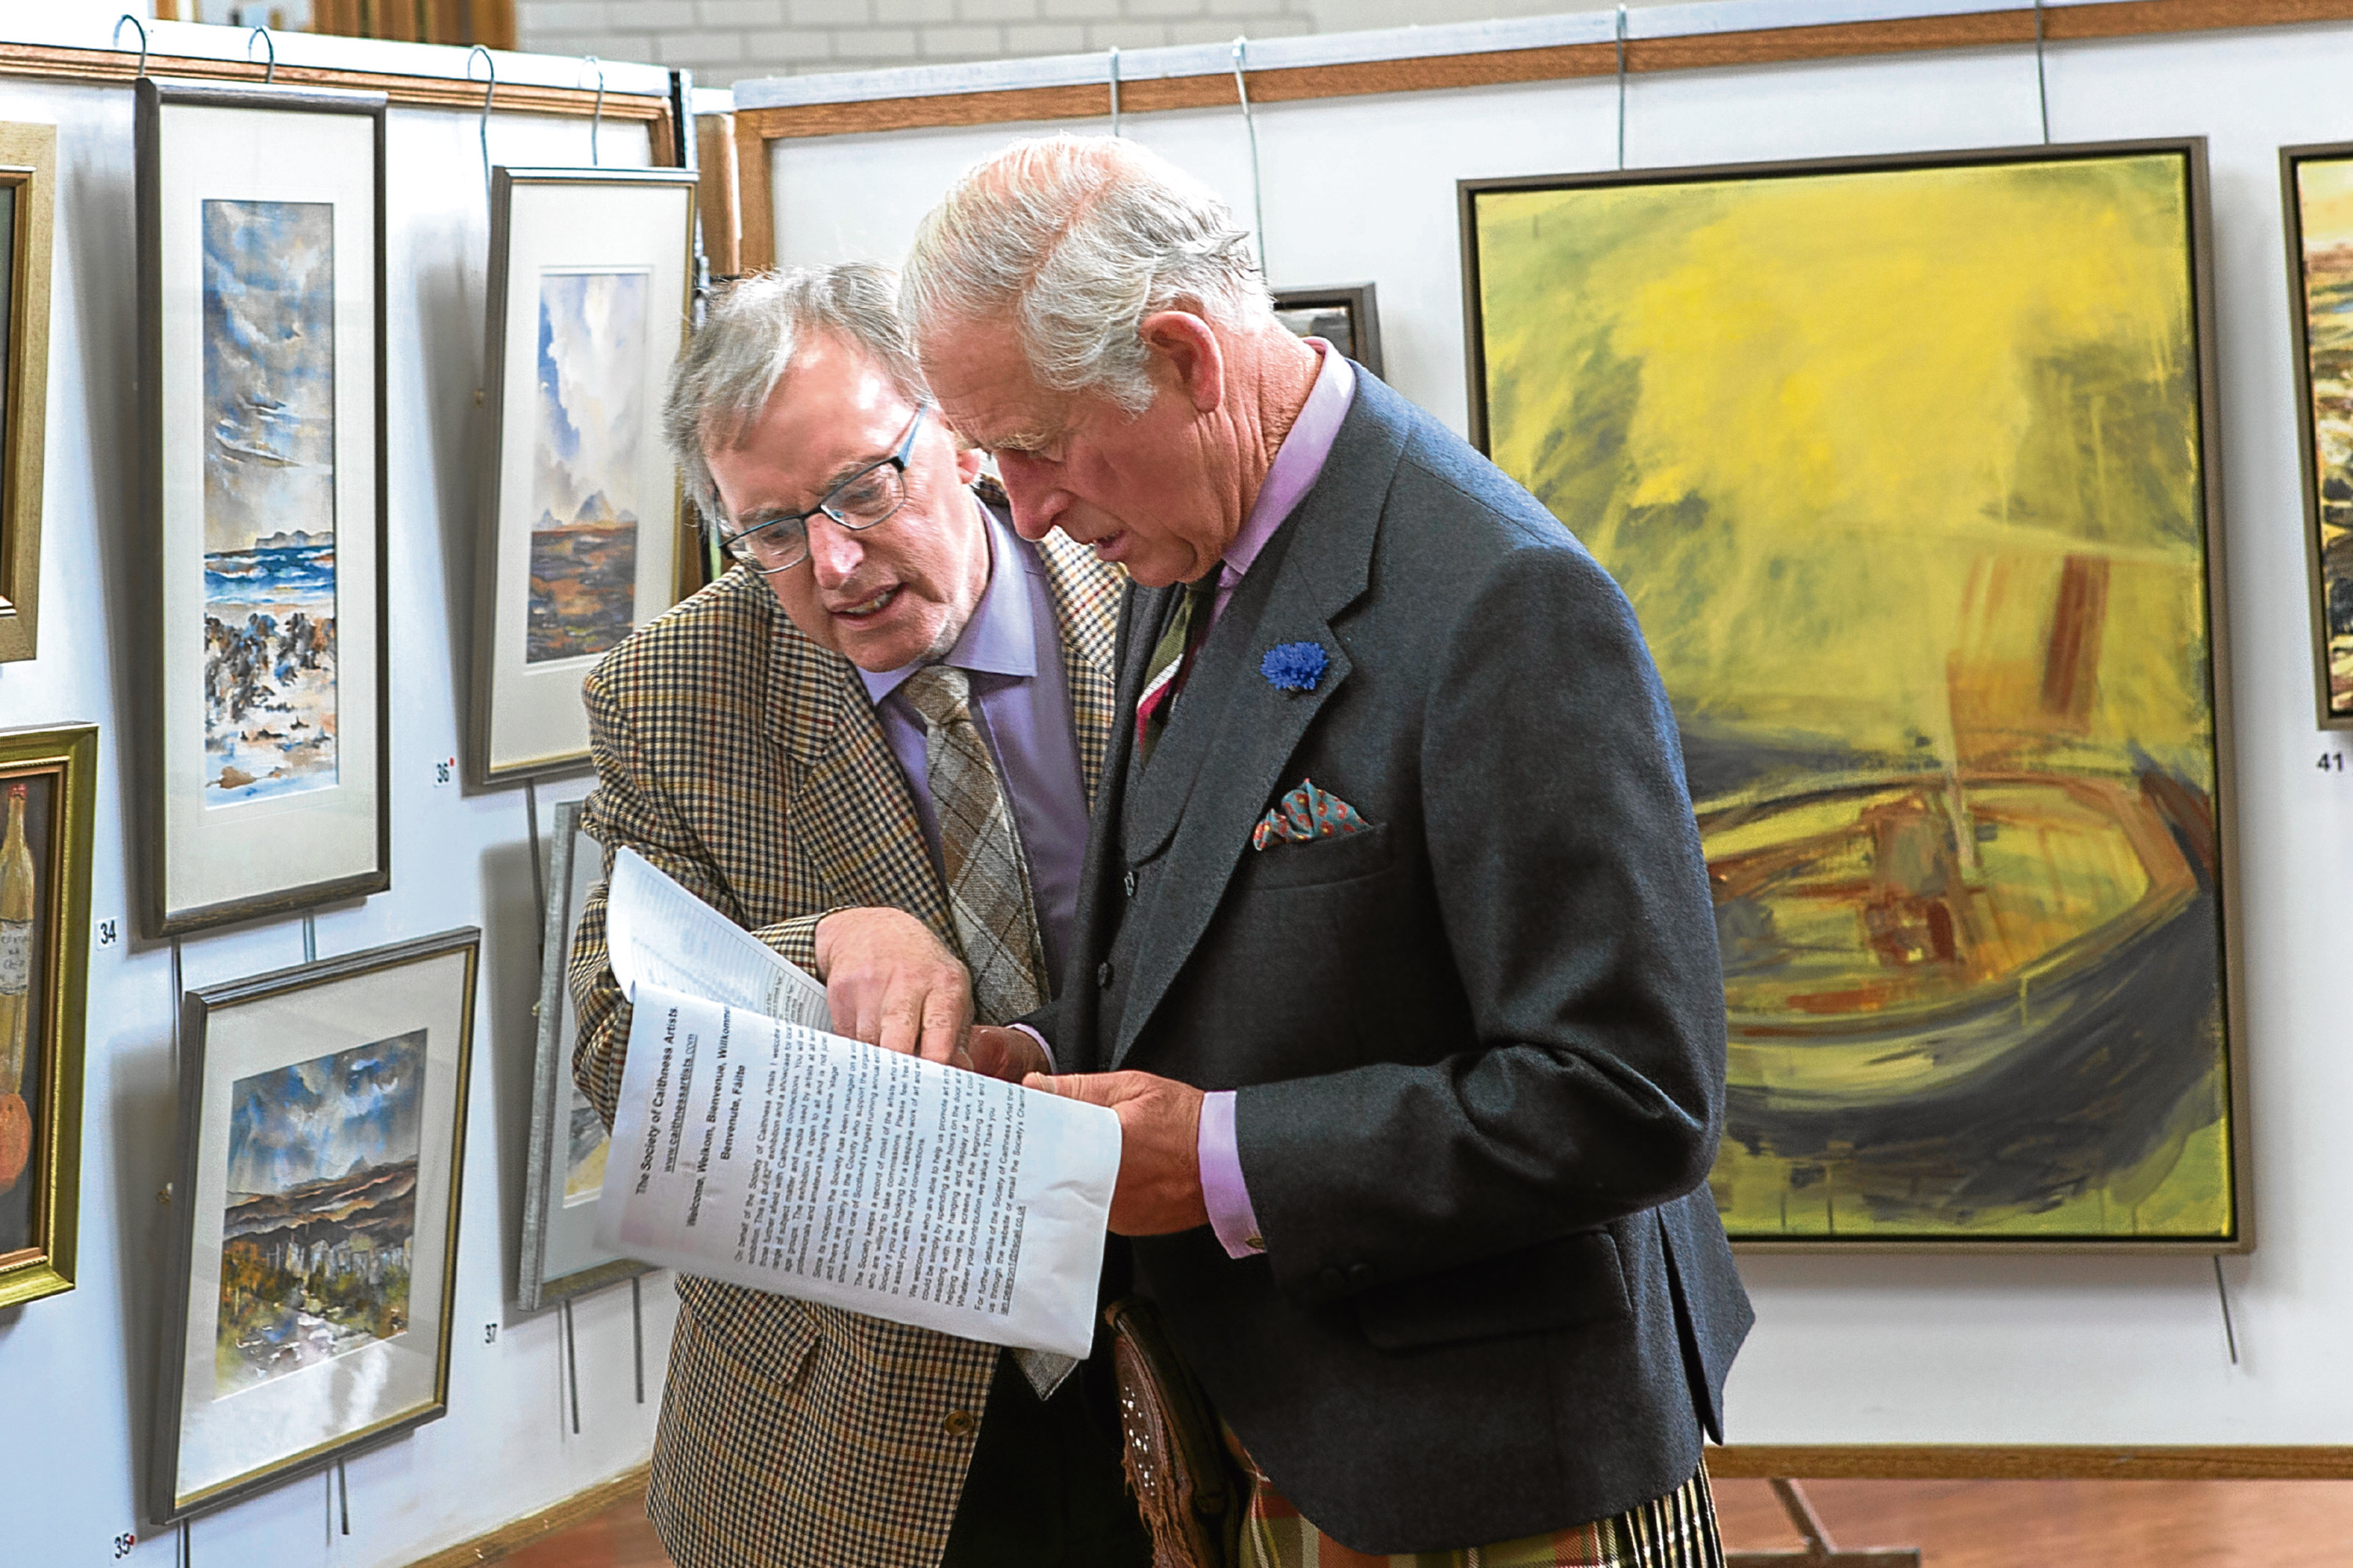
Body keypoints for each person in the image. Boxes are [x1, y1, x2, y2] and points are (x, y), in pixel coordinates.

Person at [904, 136, 1755, 1567]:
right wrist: (1046, 1063)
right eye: (991, 459)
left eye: (1039, 449)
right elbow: (1203, 945)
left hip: (1492, 1471)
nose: (1026, 510)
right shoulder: (1187, 542)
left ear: (1185, 357)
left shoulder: (1504, 599)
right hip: (1275, 1442)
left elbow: (1631, 1093)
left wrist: (1219, 1160)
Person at [566, 263, 1151, 1568]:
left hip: (1185, 1357)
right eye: (770, 529)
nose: (830, 560)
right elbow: (615, 1046)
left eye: (861, 490)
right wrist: (821, 940)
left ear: (955, 428)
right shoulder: (673, 696)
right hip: (849, 1432)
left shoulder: (1154, 590)